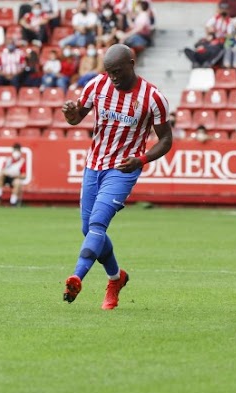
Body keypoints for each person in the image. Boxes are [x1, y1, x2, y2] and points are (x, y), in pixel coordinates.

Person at [61, 44, 172, 310]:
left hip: (123, 169)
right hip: (93, 165)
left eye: (118, 71)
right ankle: (116, 278)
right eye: (109, 72)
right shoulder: (96, 85)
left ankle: (77, 276)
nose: (113, 77)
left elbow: (166, 139)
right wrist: (70, 114)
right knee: (88, 231)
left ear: (132, 64)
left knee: (98, 225)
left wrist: (142, 159)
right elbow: (77, 118)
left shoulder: (153, 97)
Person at [0, 143, 26, 207]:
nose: (16, 152)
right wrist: (6, 173)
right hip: (6, 177)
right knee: (0, 175)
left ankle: (13, 202)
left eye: (17, 150)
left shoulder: (22, 162)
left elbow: (24, 176)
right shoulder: (8, 160)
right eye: (15, 150)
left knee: (18, 183)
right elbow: (2, 171)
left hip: (15, 178)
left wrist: (16, 176)